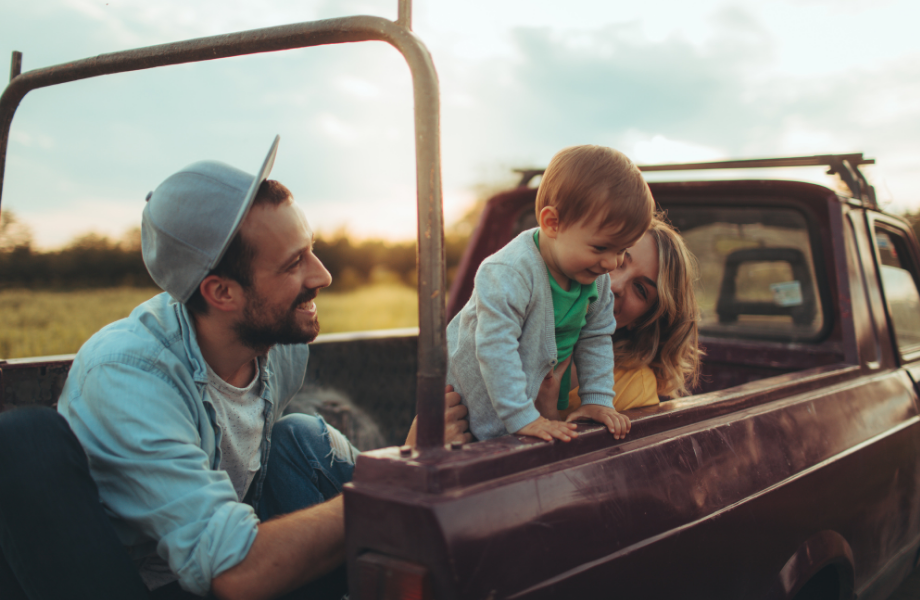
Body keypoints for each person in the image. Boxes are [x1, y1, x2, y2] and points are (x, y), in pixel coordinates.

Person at [0, 136, 469, 600]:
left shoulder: (281, 348)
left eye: (310, 249)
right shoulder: (127, 377)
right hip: (140, 581)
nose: (322, 275)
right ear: (221, 293)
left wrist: (414, 465)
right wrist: (397, 481)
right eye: (293, 264)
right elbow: (235, 573)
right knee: (23, 435)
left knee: (301, 438)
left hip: (223, 560)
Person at [447, 145, 655, 442]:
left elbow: (596, 336)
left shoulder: (596, 278)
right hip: (478, 406)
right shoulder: (509, 272)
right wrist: (523, 417)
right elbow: (496, 348)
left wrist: (596, 399)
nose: (611, 263)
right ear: (552, 223)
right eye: (600, 248)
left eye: (621, 250)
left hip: (533, 407)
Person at [536, 215, 702, 421]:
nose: (614, 286)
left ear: (643, 319)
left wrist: (547, 412)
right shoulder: (516, 308)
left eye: (640, 289)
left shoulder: (633, 386)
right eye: (619, 260)